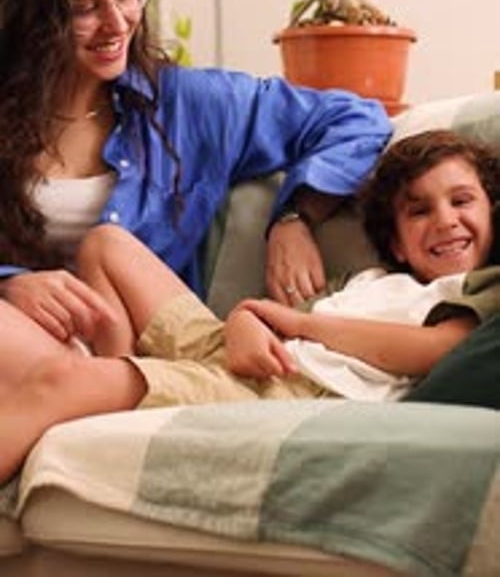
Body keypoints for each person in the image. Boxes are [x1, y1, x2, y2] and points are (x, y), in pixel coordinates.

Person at [0, 0, 391, 354]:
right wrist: (9, 287)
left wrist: (295, 215)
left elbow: (355, 119)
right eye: (84, 8)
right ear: (28, 15)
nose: (119, 23)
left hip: (130, 360)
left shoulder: (188, 106)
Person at [1, 128, 499, 484]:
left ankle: (106, 389)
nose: (445, 220)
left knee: (62, 380)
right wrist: (245, 318)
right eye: (419, 210)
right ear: (394, 242)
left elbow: (434, 349)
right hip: (245, 348)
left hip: (286, 388)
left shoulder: (478, 287)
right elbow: (273, 314)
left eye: (462, 201)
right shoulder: (371, 281)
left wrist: (291, 322)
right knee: (106, 243)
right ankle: (121, 386)